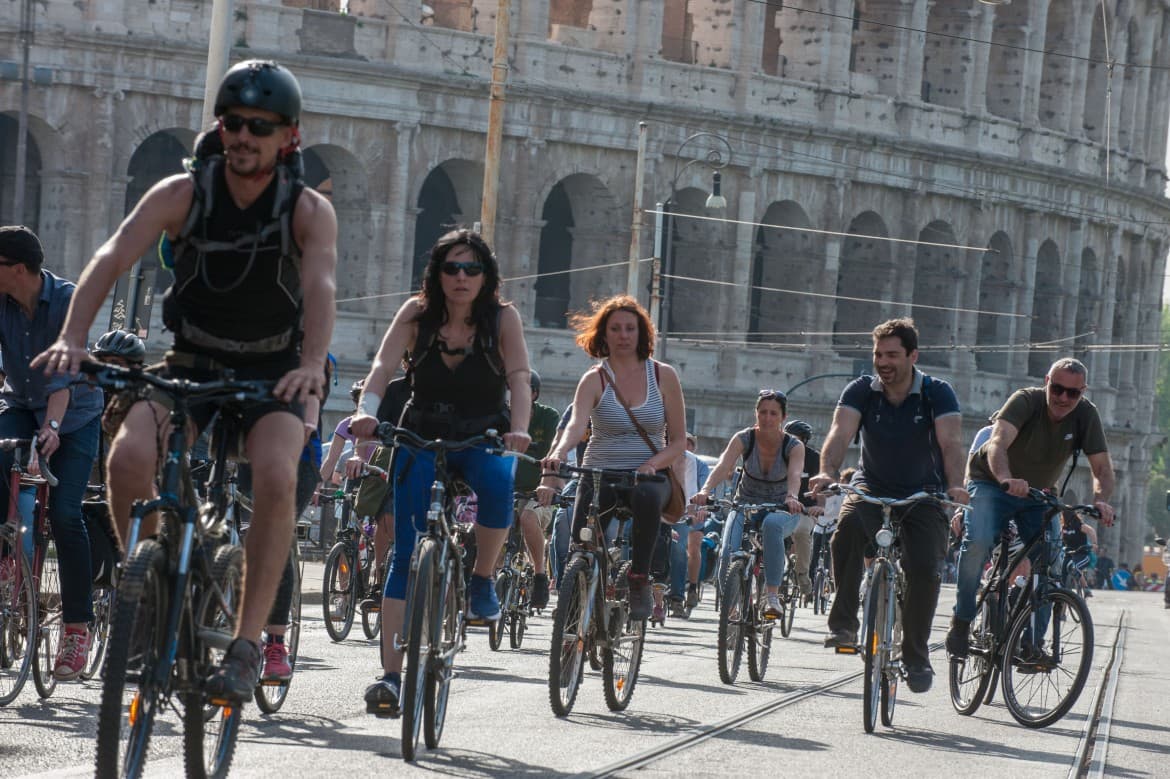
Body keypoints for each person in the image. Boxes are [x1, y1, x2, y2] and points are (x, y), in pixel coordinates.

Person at [32, 59, 338, 703]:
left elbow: (320, 288)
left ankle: (249, 644)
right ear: (220, 128)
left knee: (279, 476)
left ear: (290, 136)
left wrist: (313, 364)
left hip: (272, 370)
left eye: (262, 125)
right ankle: (149, 585)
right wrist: (72, 337)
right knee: (128, 457)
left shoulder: (308, 210)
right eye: (234, 123)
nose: (245, 137)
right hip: (192, 362)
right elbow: (112, 256)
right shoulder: (182, 193)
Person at [349, 227, 531, 716]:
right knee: (406, 552)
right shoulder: (416, 314)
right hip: (420, 432)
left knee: (498, 482)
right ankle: (390, 675)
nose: (461, 277)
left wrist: (519, 430)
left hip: (480, 434)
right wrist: (368, 412)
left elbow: (518, 378)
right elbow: (383, 368)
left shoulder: (502, 318)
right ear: (437, 273)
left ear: (486, 275)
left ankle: (482, 579)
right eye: (451, 267)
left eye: (472, 268)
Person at [809, 318, 968, 694]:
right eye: (878, 354)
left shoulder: (937, 393)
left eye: (893, 354)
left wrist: (956, 487)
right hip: (872, 486)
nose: (883, 361)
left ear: (913, 356)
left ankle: (916, 656)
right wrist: (826, 473)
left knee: (925, 568)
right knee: (845, 531)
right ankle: (843, 624)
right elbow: (839, 434)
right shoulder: (861, 390)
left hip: (922, 493)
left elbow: (950, 444)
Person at [946, 357, 1115, 659]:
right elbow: (997, 443)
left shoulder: (1086, 416)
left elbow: (1101, 467)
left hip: (1038, 493)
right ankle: (962, 619)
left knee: (1049, 562)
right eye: (1058, 389)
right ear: (1047, 382)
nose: (1063, 398)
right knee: (979, 542)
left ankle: (1031, 643)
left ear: (1083, 392)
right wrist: (1006, 479)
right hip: (992, 483)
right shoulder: (1024, 401)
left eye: (1072, 393)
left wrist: (1101, 499)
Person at [541, 294, 686, 623]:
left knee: (647, 496)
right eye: (616, 328)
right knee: (582, 542)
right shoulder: (594, 379)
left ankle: (639, 578)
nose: (623, 335)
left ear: (642, 333)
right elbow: (576, 426)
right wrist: (558, 453)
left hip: (649, 474)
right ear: (603, 334)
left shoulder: (664, 376)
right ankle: (574, 600)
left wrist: (653, 463)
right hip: (599, 471)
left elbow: (677, 441)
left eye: (630, 328)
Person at [0, 224, 104, 681]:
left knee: (65, 514)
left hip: (76, 414)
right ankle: (8, 556)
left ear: (17, 269)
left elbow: (63, 380)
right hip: (21, 403)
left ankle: (76, 628)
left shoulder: (68, 302)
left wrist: (53, 429)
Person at [692, 390, 805, 618]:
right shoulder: (744, 438)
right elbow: (724, 466)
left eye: (773, 413)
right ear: (756, 413)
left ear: (783, 417)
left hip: (781, 507)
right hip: (744, 503)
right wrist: (705, 490)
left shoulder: (793, 445)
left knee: (772, 526)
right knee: (727, 552)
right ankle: (730, 609)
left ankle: (772, 596)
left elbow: (795, 474)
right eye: (762, 412)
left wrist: (792, 496)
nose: (767, 418)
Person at [512, 369, 560, 609]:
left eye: (523, 389)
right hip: (507, 491)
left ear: (535, 394)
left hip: (539, 493)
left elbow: (554, 453)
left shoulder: (549, 417)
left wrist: (547, 485)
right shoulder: (503, 416)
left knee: (528, 518)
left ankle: (540, 576)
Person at [672, 432, 710, 616]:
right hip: (671, 508)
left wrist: (699, 509)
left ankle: (692, 587)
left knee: (692, 548)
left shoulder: (699, 466)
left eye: (688, 444)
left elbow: (703, 491)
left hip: (693, 509)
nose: (684, 447)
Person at [784, 418, 819, 594]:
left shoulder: (814, 459)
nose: (791, 442)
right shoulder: (778, 454)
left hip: (805, 510)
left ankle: (802, 574)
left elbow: (822, 487)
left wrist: (819, 506)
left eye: (795, 438)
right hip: (780, 507)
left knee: (802, 530)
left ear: (804, 440)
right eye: (787, 437)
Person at [1060, 490, 1098, 598]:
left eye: (1066, 513)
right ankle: (1061, 594)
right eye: (1063, 514)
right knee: (1061, 572)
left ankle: (1086, 588)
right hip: (1068, 554)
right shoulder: (1063, 527)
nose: (1064, 516)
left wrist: (1094, 543)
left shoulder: (1078, 525)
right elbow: (1058, 537)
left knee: (1074, 567)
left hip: (1082, 555)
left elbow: (1091, 531)